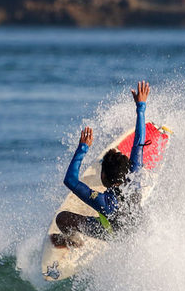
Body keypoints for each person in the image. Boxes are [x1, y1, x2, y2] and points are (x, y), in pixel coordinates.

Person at [51, 81, 150, 248]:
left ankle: (74, 242)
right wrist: (141, 106)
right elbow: (138, 142)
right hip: (138, 229)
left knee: (62, 218)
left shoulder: (103, 201)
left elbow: (70, 180)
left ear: (104, 176)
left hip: (112, 234)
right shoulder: (134, 174)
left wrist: (82, 148)